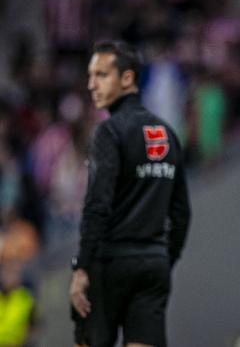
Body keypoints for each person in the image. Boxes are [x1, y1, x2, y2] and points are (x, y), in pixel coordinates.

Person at [69, 41, 191, 347]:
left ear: (127, 79)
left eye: (101, 75)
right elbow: (181, 213)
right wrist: (164, 256)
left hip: (109, 265)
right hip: (153, 265)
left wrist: (82, 266)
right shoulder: (168, 133)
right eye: (90, 75)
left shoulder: (108, 132)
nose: (91, 84)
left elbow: (97, 204)